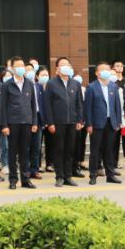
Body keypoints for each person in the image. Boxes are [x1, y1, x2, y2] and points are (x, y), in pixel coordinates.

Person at [0, 56, 39, 190]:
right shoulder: (7, 85)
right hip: (12, 123)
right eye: (18, 66)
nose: (21, 68)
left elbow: (33, 105)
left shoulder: (29, 84)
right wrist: (4, 125)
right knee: (12, 152)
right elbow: (2, 107)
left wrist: (34, 122)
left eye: (22, 65)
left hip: (27, 122)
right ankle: (13, 179)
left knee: (25, 152)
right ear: (12, 68)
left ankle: (26, 180)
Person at [44, 57, 83, 187]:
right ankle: (59, 176)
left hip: (72, 122)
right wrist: (50, 123)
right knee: (59, 150)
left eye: (67, 64)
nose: (66, 66)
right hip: (58, 123)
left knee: (69, 150)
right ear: (57, 69)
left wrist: (80, 120)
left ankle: (68, 176)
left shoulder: (75, 84)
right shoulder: (51, 84)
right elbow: (47, 105)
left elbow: (79, 104)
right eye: (63, 64)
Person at [84, 63, 122, 185]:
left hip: (111, 123)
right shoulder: (91, 87)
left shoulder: (113, 86)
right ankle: (93, 175)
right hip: (96, 124)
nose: (106, 71)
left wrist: (118, 122)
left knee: (109, 150)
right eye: (103, 69)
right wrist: (89, 124)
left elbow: (117, 106)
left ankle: (110, 175)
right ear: (97, 73)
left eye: (107, 69)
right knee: (95, 151)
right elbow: (87, 108)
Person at [27, 63, 46, 179]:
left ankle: (34, 169)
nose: (30, 72)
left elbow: (43, 103)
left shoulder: (39, 86)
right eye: (27, 70)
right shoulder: (24, 85)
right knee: (26, 146)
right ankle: (26, 169)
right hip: (27, 119)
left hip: (38, 118)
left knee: (36, 146)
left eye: (31, 70)